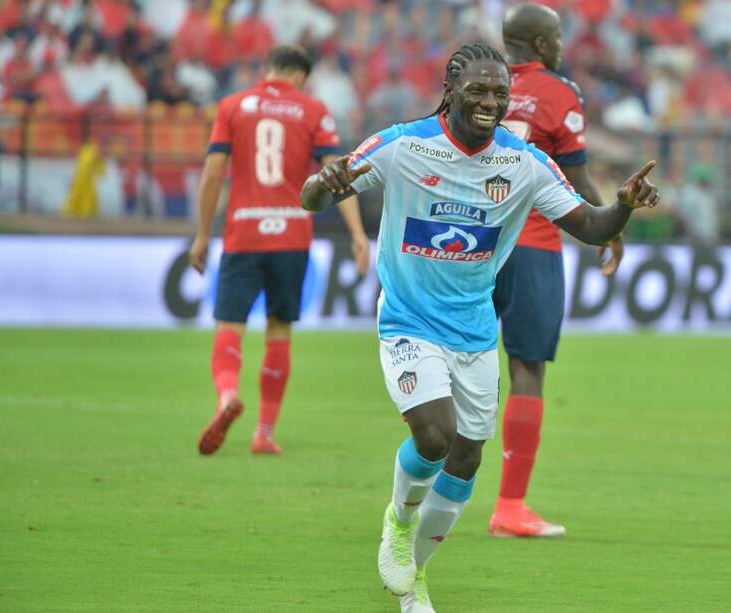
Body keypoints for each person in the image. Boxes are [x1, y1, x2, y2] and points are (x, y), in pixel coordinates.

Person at [300, 42, 658, 612]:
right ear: (450, 89)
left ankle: (414, 574)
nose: (491, 102)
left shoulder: (523, 162)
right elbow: (312, 196)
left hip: (473, 329)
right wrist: (327, 181)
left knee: (467, 459)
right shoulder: (403, 145)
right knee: (434, 437)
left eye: (500, 93)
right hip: (409, 320)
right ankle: (399, 520)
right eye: (478, 91)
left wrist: (622, 208)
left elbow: (590, 226)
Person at [191, 45, 369, 456]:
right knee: (278, 330)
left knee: (229, 325)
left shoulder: (233, 105)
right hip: (291, 235)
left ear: (267, 69)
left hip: (244, 232)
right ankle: (264, 433)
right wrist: (358, 234)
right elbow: (337, 176)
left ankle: (227, 396)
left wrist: (202, 235)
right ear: (301, 77)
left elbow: (214, 171)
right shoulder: (312, 110)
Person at [488, 2, 624, 539]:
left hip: (470, 241)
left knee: (456, 362)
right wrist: (612, 224)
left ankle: (427, 491)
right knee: (526, 368)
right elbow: (575, 180)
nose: (563, 46)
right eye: (559, 37)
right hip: (533, 243)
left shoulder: (479, 85)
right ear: (543, 45)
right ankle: (510, 507)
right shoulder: (560, 93)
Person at [678, 163, 719, 246]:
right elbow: (684, 217)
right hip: (693, 239)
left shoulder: (708, 193)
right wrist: (694, 233)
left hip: (708, 238)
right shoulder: (689, 193)